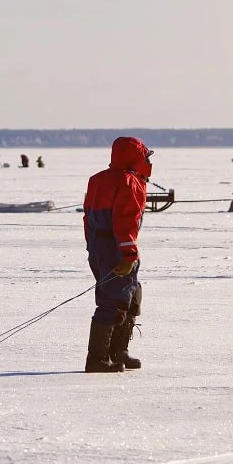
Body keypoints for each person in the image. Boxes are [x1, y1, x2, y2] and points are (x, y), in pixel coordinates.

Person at [82, 136, 152, 372]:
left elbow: (87, 218)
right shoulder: (129, 182)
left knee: (131, 296)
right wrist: (128, 254)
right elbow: (126, 222)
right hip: (117, 250)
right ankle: (98, 358)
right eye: (145, 157)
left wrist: (92, 248)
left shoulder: (97, 180)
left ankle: (117, 351)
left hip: (100, 249)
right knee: (114, 301)